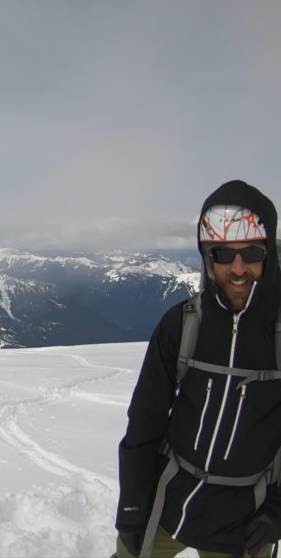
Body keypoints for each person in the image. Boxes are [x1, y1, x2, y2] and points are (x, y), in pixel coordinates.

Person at [116, 180, 281, 558]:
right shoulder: (183, 324)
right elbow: (145, 421)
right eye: (223, 253)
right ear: (208, 257)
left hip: (247, 520)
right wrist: (131, 507)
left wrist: (278, 512)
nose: (237, 268)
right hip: (168, 500)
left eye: (251, 252)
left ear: (268, 254)